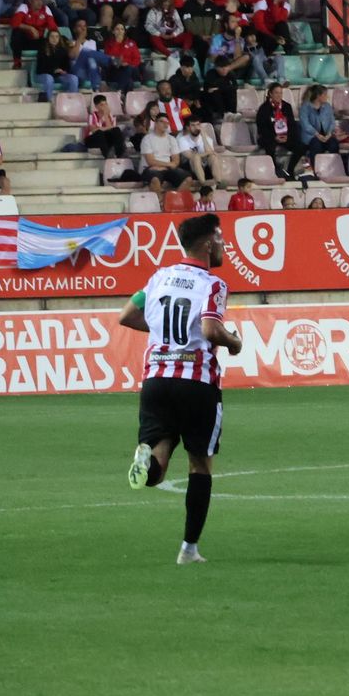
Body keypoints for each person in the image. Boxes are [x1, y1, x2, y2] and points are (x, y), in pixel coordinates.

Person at [121, 212, 242, 565]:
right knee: (199, 466)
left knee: (158, 460)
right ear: (206, 244)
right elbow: (209, 330)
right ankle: (189, 549)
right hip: (197, 383)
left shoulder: (159, 277)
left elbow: (126, 315)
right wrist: (234, 342)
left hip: (157, 380)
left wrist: (162, 335)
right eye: (220, 239)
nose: (223, 245)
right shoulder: (212, 284)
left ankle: (146, 464)